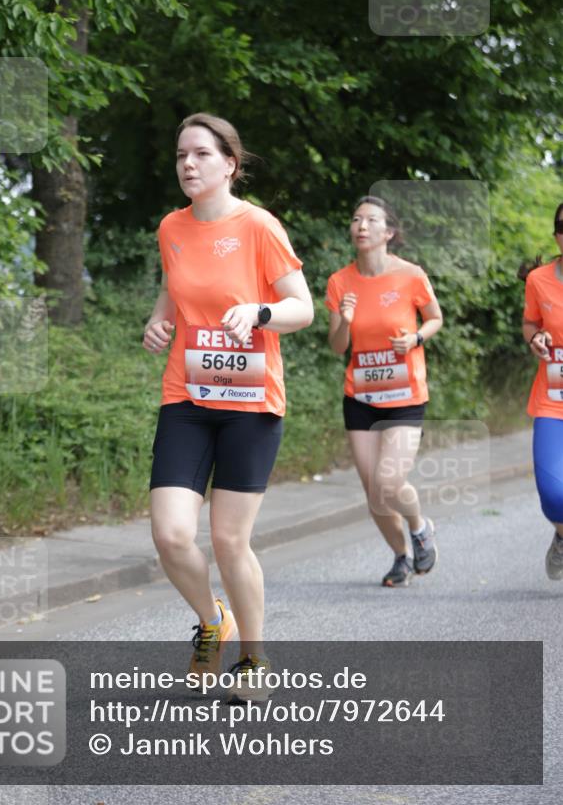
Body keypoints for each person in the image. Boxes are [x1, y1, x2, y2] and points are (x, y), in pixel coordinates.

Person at [143, 112, 314, 698]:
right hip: (186, 395)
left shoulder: (259, 226)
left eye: (201, 155)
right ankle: (213, 620)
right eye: (180, 156)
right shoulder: (171, 226)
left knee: (228, 540)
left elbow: (303, 307)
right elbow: (175, 284)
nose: (188, 165)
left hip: (250, 401)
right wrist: (160, 319)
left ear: (230, 165)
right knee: (169, 534)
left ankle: (255, 657)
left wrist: (260, 312)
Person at [326, 196, 444, 587]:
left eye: (371, 220)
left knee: (389, 483)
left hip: (405, 397)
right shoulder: (340, 282)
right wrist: (344, 320)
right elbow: (338, 347)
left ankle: (419, 526)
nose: (361, 225)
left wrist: (414, 338)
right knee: (373, 492)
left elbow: (434, 318)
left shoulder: (410, 275)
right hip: (360, 398)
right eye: (356, 218)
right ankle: (401, 557)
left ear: (388, 232)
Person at [520, 201, 563, 580]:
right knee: (553, 494)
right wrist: (536, 338)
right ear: (556, 235)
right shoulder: (539, 281)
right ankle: (562, 536)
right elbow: (531, 323)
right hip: (553, 401)